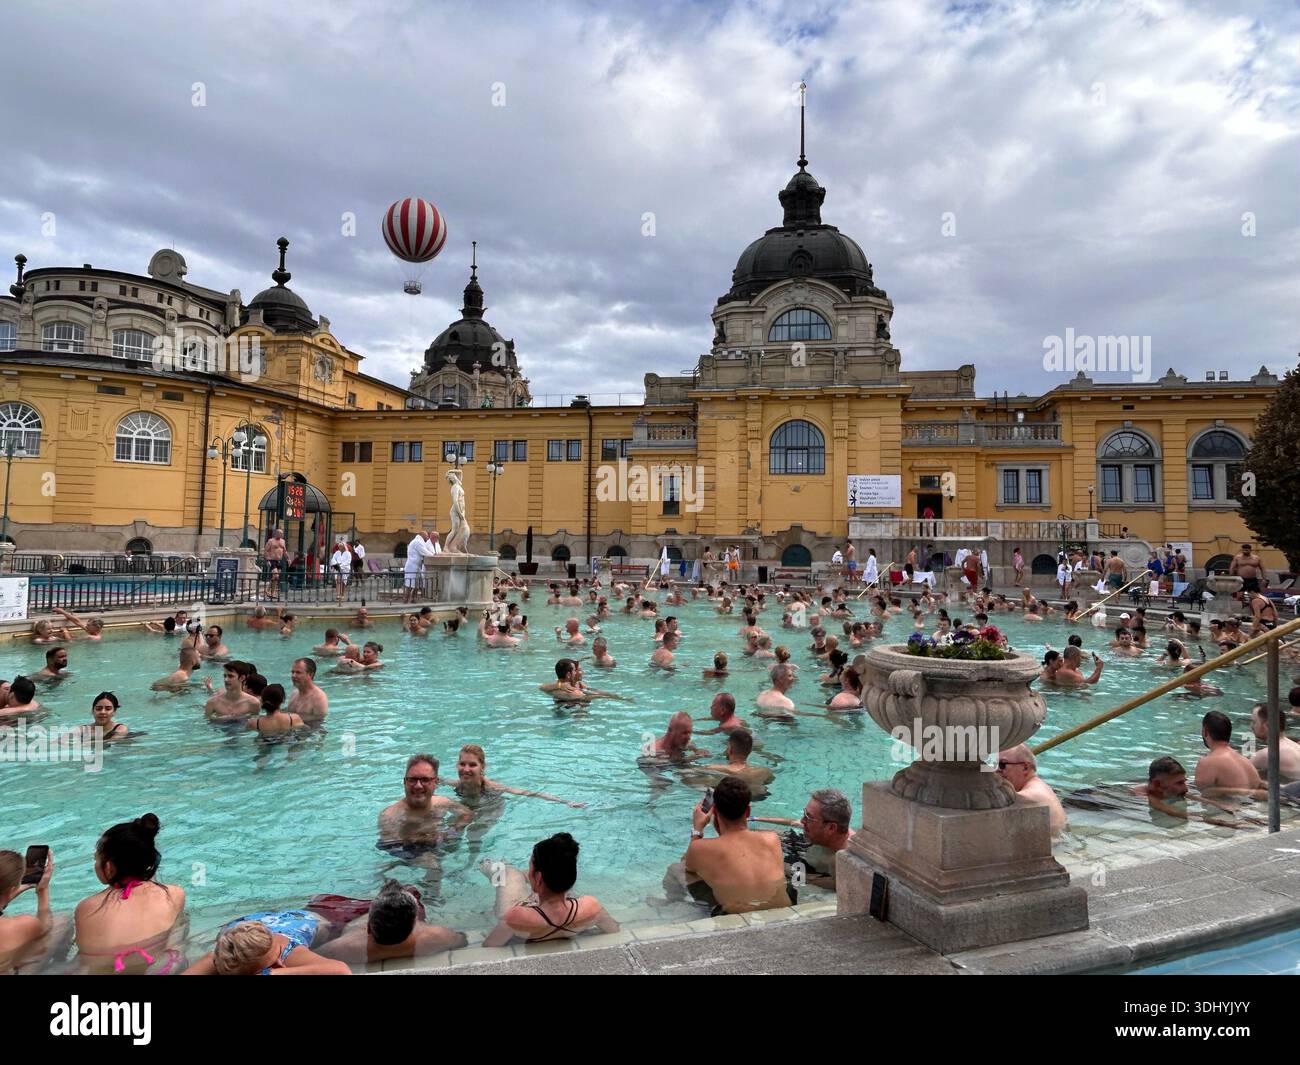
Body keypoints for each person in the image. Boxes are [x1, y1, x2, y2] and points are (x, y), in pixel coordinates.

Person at [71, 814, 187, 974]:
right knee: (181, 924)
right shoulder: (174, 895)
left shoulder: (85, 908)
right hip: (154, 969)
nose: (95, 864)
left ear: (109, 867)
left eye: (96, 859)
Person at [666, 776, 790, 915]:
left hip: (737, 916)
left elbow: (689, 865)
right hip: (784, 911)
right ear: (748, 811)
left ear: (715, 812)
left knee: (676, 869)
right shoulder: (772, 838)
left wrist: (697, 830)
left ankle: (672, 904)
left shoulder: (701, 848)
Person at [481, 834, 620, 947]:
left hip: (528, 909)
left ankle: (487, 867)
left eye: (531, 868)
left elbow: (490, 946)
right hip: (556, 905)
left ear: (539, 877)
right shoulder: (591, 906)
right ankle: (539, 877)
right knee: (523, 878)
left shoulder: (516, 916)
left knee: (508, 872)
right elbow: (613, 929)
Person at [313, 880, 466, 966]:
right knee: (410, 891)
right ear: (415, 925)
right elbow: (462, 940)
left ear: (367, 928)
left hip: (354, 922)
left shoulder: (340, 949)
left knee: (318, 905)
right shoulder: (437, 937)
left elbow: (308, 959)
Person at [183, 912, 350, 975]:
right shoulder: (223, 958)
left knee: (333, 928)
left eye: (271, 965)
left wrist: (273, 974)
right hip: (246, 924)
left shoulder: (287, 952)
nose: (279, 964)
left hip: (300, 920)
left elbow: (341, 970)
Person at [750, 789, 854, 889]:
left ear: (831, 828)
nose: (802, 820)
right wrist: (755, 818)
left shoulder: (843, 861)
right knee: (757, 834)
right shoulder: (833, 827)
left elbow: (811, 881)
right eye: (805, 813)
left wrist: (782, 868)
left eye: (809, 817)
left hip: (806, 866)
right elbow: (793, 822)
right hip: (809, 844)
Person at [377, 755, 473, 862]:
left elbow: (467, 815)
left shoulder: (443, 803)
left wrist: (450, 832)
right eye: (412, 780)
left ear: (436, 783)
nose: (418, 786)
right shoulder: (390, 816)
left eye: (425, 780)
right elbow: (394, 850)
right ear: (405, 782)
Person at [451, 744, 586, 809]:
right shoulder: (456, 785)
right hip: (467, 806)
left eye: (472, 765)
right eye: (462, 764)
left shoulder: (493, 788)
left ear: (483, 767)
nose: (466, 769)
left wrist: (565, 802)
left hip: (490, 807)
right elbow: (435, 779)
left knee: (474, 835)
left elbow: (529, 793)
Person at [0, 847, 58, 974]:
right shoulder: (21, 925)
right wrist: (43, 890)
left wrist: (17, 889)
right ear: (11, 890)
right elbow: (44, 939)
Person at [997, 745, 1067, 835]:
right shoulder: (1040, 786)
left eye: (1002, 764)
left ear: (1025, 767)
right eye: (993, 765)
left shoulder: (1031, 795)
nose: (996, 770)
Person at [682, 728, 774, 795]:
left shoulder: (715, 769)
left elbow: (684, 776)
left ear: (729, 749)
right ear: (750, 751)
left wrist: (690, 758)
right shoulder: (765, 772)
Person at [1195, 710, 1262, 796]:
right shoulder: (1245, 761)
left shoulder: (1207, 762)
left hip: (1232, 807)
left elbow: (1201, 794)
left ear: (1205, 732)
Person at [1247, 703, 1300, 783]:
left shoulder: (1266, 754)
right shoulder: (1295, 746)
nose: (1251, 726)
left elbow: (1241, 773)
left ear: (1267, 725)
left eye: (1254, 722)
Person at [403, 529, 438, 603]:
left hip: (416, 566)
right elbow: (424, 552)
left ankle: (412, 599)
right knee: (409, 584)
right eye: (427, 536)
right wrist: (433, 555)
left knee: (416, 585)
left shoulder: (419, 541)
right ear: (423, 535)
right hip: (412, 567)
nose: (427, 538)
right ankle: (405, 600)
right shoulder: (417, 542)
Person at [263, 527, 288, 600]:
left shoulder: (283, 541)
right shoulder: (271, 541)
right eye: (280, 533)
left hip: (279, 561)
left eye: (282, 534)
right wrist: (267, 560)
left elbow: (285, 551)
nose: (281, 535)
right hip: (272, 560)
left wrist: (288, 558)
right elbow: (266, 551)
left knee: (276, 578)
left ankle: (272, 592)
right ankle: (267, 590)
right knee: (276, 575)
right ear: (276, 533)